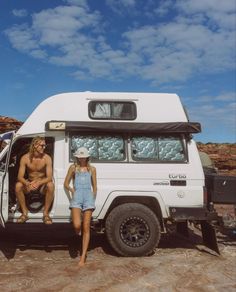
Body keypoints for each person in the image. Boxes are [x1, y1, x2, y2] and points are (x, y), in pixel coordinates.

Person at [64, 147, 97, 267]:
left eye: (84, 156)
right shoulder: (73, 168)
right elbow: (66, 183)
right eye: (80, 157)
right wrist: (72, 189)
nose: (82, 158)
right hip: (77, 196)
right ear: (77, 157)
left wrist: (92, 198)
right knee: (77, 225)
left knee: (86, 227)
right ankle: (77, 234)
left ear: (87, 157)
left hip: (88, 197)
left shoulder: (92, 169)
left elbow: (95, 186)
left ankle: (83, 256)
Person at [15, 136, 54, 224]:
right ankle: (25, 213)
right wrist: (28, 183)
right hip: (29, 184)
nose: (44, 147)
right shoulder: (25, 158)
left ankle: (46, 214)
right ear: (35, 145)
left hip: (42, 185)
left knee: (50, 185)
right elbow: (20, 177)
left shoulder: (47, 158)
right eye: (42, 145)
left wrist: (39, 182)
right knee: (18, 185)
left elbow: (49, 177)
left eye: (45, 145)